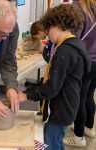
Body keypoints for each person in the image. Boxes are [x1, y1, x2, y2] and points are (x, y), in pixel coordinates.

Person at [18, 4, 91, 150]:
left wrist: (26, 95)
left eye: (48, 29)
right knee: (56, 141)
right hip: (68, 105)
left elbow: (52, 88)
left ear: (58, 25)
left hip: (61, 111)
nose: (47, 34)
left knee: (51, 142)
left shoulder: (64, 51)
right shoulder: (75, 44)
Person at [63, 0, 96, 147]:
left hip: (84, 61)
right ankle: (88, 128)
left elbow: (72, 37)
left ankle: (78, 137)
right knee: (89, 96)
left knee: (79, 99)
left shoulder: (77, 7)